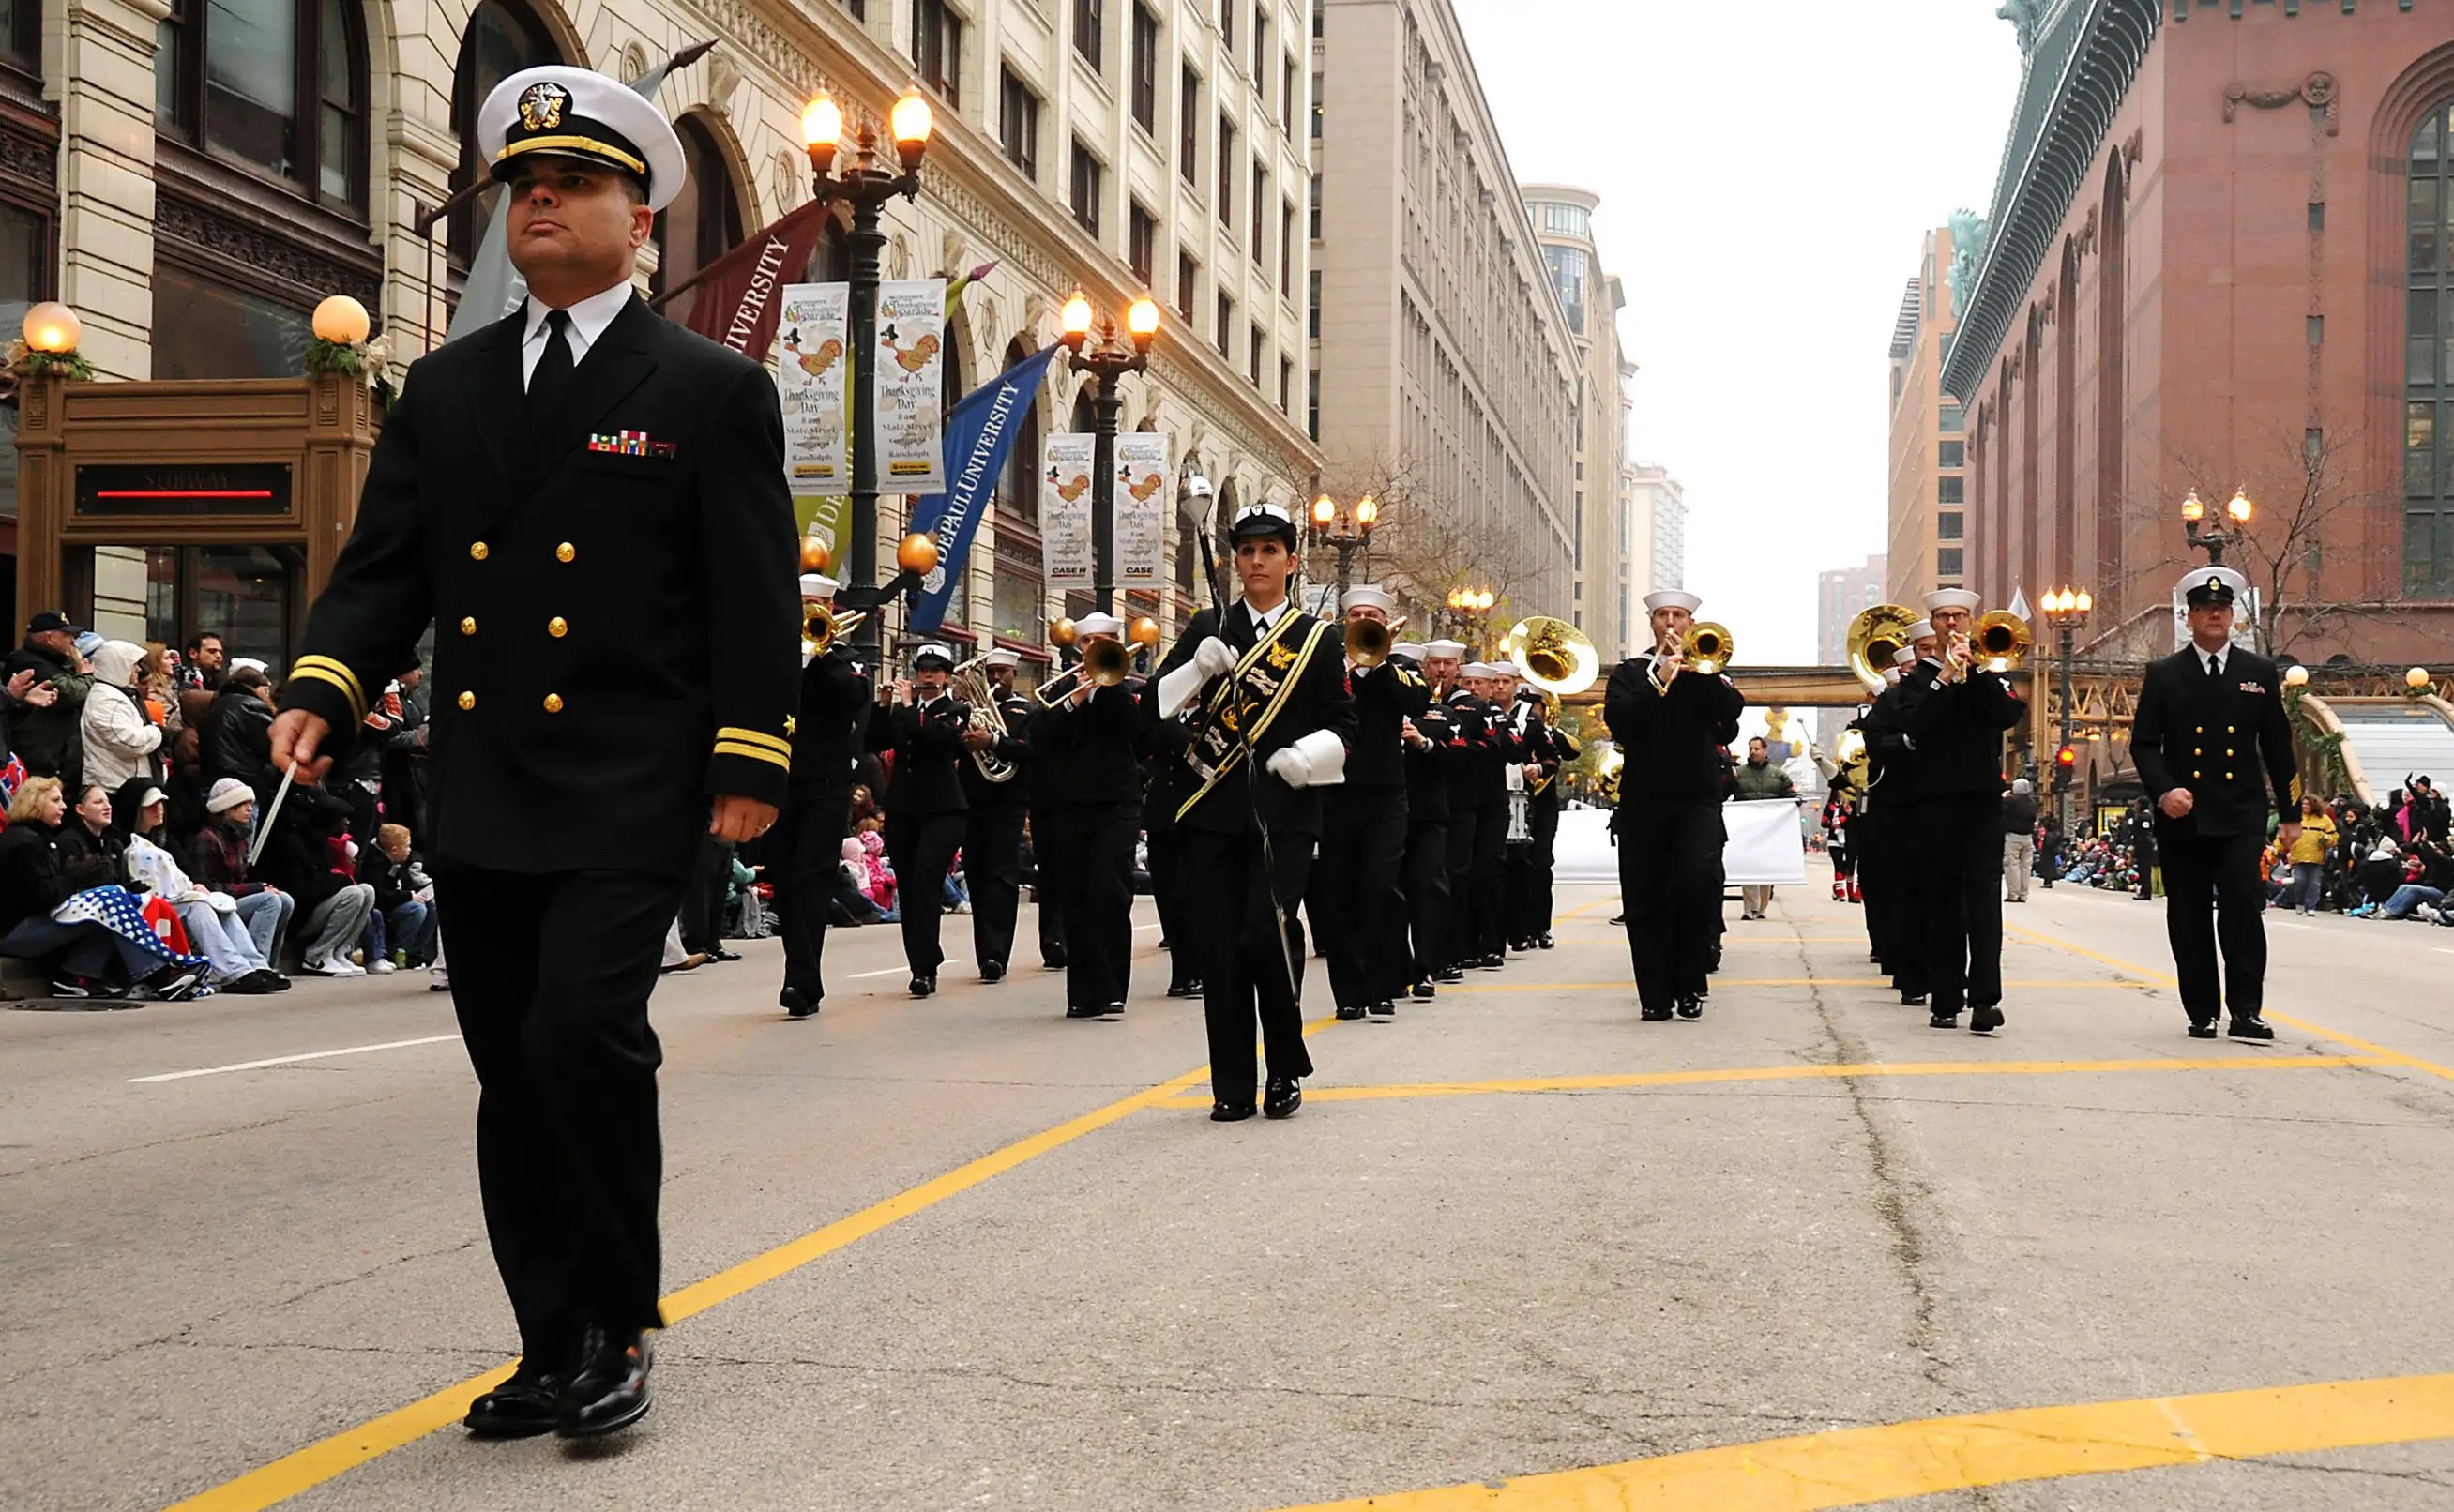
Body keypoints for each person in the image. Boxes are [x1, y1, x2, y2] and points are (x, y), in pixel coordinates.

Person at [265, 65, 797, 1442]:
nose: (543, 201)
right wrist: (327, 683)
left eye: (574, 184)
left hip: (632, 783)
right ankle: (546, 1337)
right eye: (524, 186)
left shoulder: (707, 387)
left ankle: (617, 1323)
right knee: (514, 1068)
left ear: (641, 219)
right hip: (489, 781)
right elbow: (385, 573)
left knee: (585, 1037)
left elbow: (751, 594)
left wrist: (752, 758)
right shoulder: (442, 390)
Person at [1150, 502, 1354, 1120]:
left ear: (1293, 561)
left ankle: (1285, 1068)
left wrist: (1309, 755)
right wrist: (1193, 670)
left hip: (1285, 815)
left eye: (1270, 550)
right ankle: (1232, 1084)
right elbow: (1153, 713)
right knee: (1219, 948)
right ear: (1234, 561)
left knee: (1265, 935)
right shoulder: (1207, 627)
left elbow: (1346, 725)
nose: (1257, 561)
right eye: (1247, 551)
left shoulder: (1319, 640)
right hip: (1211, 811)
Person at [2128, 570, 2297, 1039]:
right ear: (2190, 616)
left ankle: (2246, 1009)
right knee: (2189, 912)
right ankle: (2201, 1010)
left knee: (2244, 905)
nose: (2216, 615)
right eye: (2206, 609)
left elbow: (2279, 746)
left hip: (2241, 811)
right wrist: (2164, 791)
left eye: (2223, 609)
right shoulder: (2164, 674)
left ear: (2233, 617)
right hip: (2184, 813)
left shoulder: (2258, 672)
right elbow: (2143, 744)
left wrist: (2290, 813)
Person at [1604, 589, 1744, 1021]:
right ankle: (1655, 994)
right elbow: (1620, 721)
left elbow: (1731, 718)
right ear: (1651, 622)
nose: (1670, 623)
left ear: (1690, 623)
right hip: (1643, 799)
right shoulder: (1630, 672)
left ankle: (1689, 984)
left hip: (1697, 799)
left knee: (1693, 886)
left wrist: (1695, 672)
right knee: (1644, 896)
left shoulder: (1709, 669)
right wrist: (1658, 679)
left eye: (1678, 616)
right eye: (1662, 615)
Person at [1904, 590, 2024, 1033]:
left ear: (1972, 621)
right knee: (1942, 901)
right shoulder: (1918, 681)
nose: (1952, 623)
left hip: (1981, 802)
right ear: (1932, 624)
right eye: (1943, 617)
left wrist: (1971, 672)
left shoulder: (1990, 674)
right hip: (1934, 803)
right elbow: (1917, 727)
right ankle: (1946, 996)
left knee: (1983, 901)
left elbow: (2006, 714)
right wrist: (1945, 679)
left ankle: (1985, 999)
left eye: (1960, 616)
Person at [1312, 586, 1425, 1021]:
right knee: (1338, 892)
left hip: (1385, 793)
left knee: (1379, 888)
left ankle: (1383, 985)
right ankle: (1349, 993)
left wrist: (1376, 663)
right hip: (1336, 791)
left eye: (1372, 615)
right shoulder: (1326, 667)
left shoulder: (1399, 667)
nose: (1363, 619)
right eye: (1356, 614)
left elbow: (1416, 701)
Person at [1030, 614, 1144, 1019]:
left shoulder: (1125, 691)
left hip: (1116, 806)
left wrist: (1107, 688)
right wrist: (1076, 700)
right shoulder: (1061, 691)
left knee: (1109, 891)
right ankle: (1082, 993)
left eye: (1104, 642)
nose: (1095, 649)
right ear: (1079, 649)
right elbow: (1039, 739)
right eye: (1089, 643)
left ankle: (1113, 989)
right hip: (1069, 806)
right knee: (1075, 897)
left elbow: (1136, 734)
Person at [0, 776, 204, 999]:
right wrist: (76, 877)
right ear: (35, 803)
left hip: (30, 925)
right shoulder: (24, 842)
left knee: (115, 900)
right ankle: (158, 973)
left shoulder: (38, 838)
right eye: (55, 801)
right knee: (111, 898)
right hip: (14, 934)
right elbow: (43, 897)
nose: (63, 806)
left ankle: (74, 977)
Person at [771, 570, 871, 1019]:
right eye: (805, 604)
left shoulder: (846, 657)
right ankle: (800, 972)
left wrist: (821, 650)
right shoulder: (775, 653)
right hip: (778, 780)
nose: (812, 612)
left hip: (827, 785)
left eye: (820, 605)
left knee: (812, 877)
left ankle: (801, 979)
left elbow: (853, 697)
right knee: (786, 881)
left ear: (830, 610)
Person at [116, 778, 287, 993]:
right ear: (136, 809)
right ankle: (233, 972)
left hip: (172, 902)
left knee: (216, 903)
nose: (159, 810)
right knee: (200, 906)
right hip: (147, 907)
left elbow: (192, 871)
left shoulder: (165, 839)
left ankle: (255, 966)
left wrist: (198, 885)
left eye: (161, 804)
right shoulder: (122, 842)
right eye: (152, 805)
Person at [869, 642, 970, 997]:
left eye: (935, 669)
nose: (927, 674)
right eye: (922, 668)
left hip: (943, 809)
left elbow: (933, 740)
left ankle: (927, 964)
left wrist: (909, 705)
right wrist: (883, 706)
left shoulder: (956, 709)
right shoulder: (901, 711)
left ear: (946, 677)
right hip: (904, 809)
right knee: (910, 887)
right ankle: (919, 965)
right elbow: (873, 741)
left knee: (927, 878)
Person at [959, 646, 1033, 985]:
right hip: (973, 798)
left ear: (1013, 674)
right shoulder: (967, 711)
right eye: (990, 672)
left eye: (1002, 672)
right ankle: (983, 951)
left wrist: (993, 742)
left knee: (1001, 875)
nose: (995, 678)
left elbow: (1031, 751)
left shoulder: (1025, 711)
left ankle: (996, 954)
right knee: (975, 873)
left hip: (1009, 800)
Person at [1396, 641, 1454, 1000]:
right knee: (1387, 892)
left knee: (1427, 890)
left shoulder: (1441, 716)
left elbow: (1461, 759)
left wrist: (1424, 744)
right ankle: (1394, 966)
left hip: (1428, 815)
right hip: (1386, 813)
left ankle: (1426, 967)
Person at [187, 778, 296, 965]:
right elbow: (206, 886)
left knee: (285, 899)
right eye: (243, 804)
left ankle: (270, 963)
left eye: (250, 803)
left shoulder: (239, 839)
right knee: (270, 900)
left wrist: (261, 887)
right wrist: (256, 888)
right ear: (227, 808)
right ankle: (254, 963)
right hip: (215, 904)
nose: (250, 809)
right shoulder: (206, 839)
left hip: (233, 898)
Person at [8, 611, 95, 789]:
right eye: (67, 635)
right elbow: (67, 693)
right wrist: (86, 677)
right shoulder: (29, 662)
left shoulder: (56, 662)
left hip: (60, 761)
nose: (73, 641)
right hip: (39, 761)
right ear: (49, 638)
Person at [81, 641, 165, 794]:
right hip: (115, 787)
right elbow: (130, 743)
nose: (139, 669)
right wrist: (157, 732)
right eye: (134, 665)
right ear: (119, 666)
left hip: (124, 782)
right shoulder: (107, 700)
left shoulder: (116, 694)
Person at [1730, 733, 1795, 919]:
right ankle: (1749, 908)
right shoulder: (1738, 773)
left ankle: (1762, 908)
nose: (1753, 752)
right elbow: (1729, 792)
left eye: (1757, 748)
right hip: (1747, 828)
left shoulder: (1778, 774)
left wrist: (1794, 801)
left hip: (1770, 830)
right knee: (1748, 869)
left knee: (1766, 870)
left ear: (1765, 750)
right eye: (1751, 749)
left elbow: (1789, 793)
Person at [2283, 794, 2337, 915]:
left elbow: (2334, 836)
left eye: (2307, 804)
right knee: (2300, 881)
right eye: (2303, 804)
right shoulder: (2296, 818)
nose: (2304, 806)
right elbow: (2285, 835)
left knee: (2314, 883)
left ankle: (2311, 906)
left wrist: (2327, 839)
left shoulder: (2324, 819)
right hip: (2298, 855)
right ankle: (2300, 903)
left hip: (2316, 856)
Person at [2000, 778, 2040, 903]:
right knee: (2026, 867)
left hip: (2012, 836)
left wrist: (2003, 796)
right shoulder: (2033, 803)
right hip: (2027, 838)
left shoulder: (2010, 801)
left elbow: (1999, 809)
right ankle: (2023, 894)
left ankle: (2014, 893)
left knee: (2012, 865)